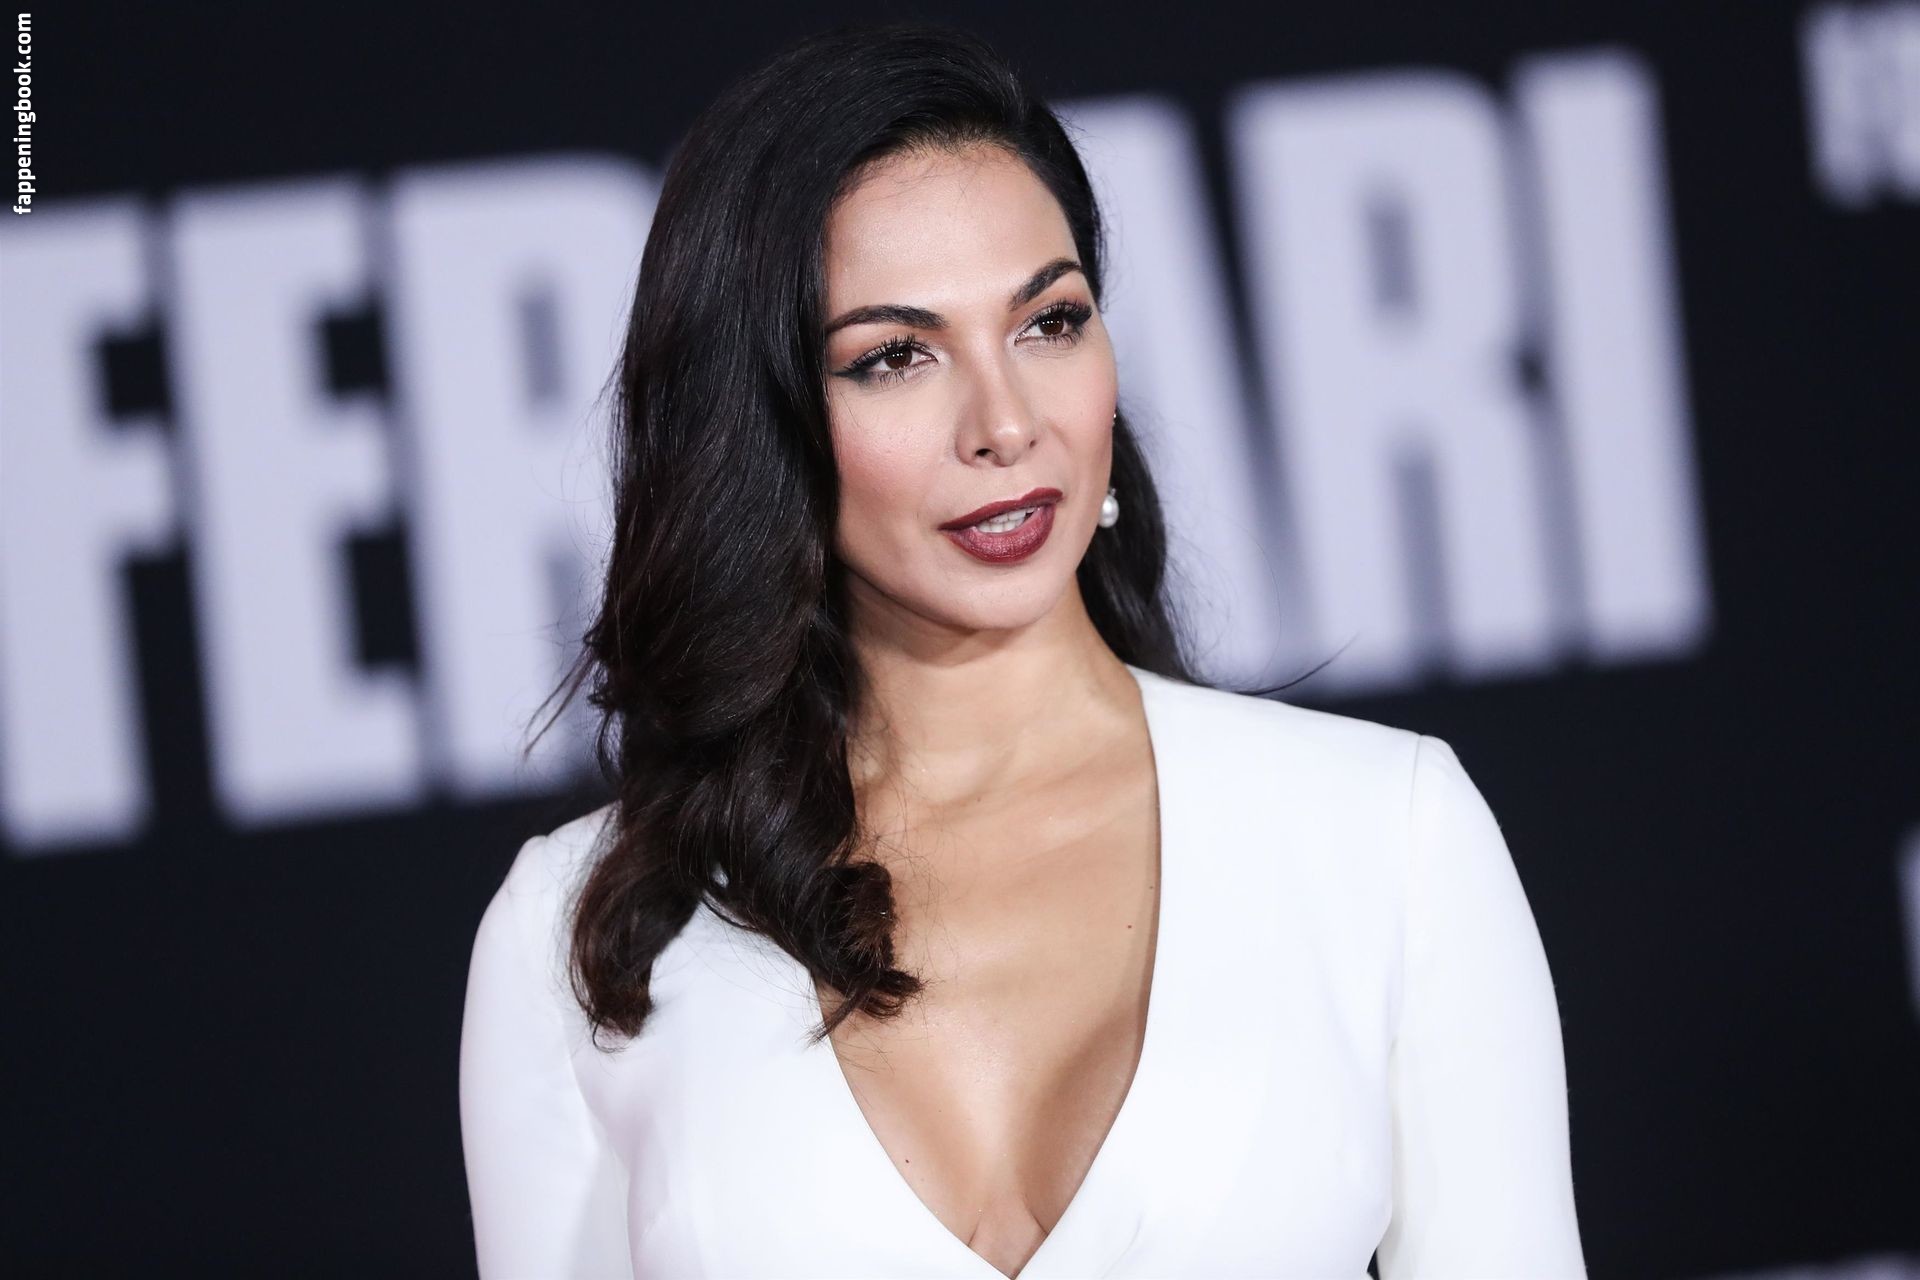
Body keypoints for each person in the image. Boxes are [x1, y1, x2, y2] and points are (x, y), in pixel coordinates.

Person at [458, 21, 1586, 1280]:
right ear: (760, 428)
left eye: (1048, 322)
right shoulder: (581, 932)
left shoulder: (1388, 835)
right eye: (895, 356)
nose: (1004, 423)